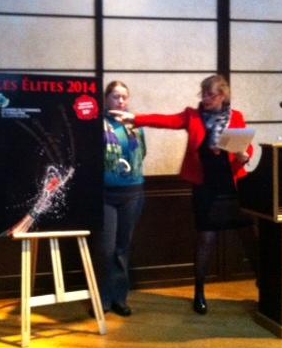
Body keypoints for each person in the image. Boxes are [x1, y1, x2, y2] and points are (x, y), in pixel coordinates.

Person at [111, 74, 255, 315]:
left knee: (248, 236)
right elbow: (165, 121)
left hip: (233, 187)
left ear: (222, 96)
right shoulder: (193, 116)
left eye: (211, 94)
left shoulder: (236, 117)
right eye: (203, 93)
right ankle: (199, 292)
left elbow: (246, 147)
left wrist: (245, 156)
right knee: (205, 239)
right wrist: (135, 118)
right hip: (205, 187)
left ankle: (264, 286)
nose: (206, 98)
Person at [93, 81, 146, 317]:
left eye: (124, 96)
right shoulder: (96, 124)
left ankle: (119, 297)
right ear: (106, 98)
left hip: (132, 193)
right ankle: (102, 298)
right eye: (115, 96)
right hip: (105, 194)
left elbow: (142, 153)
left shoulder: (135, 125)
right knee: (106, 249)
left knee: (122, 248)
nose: (120, 101)